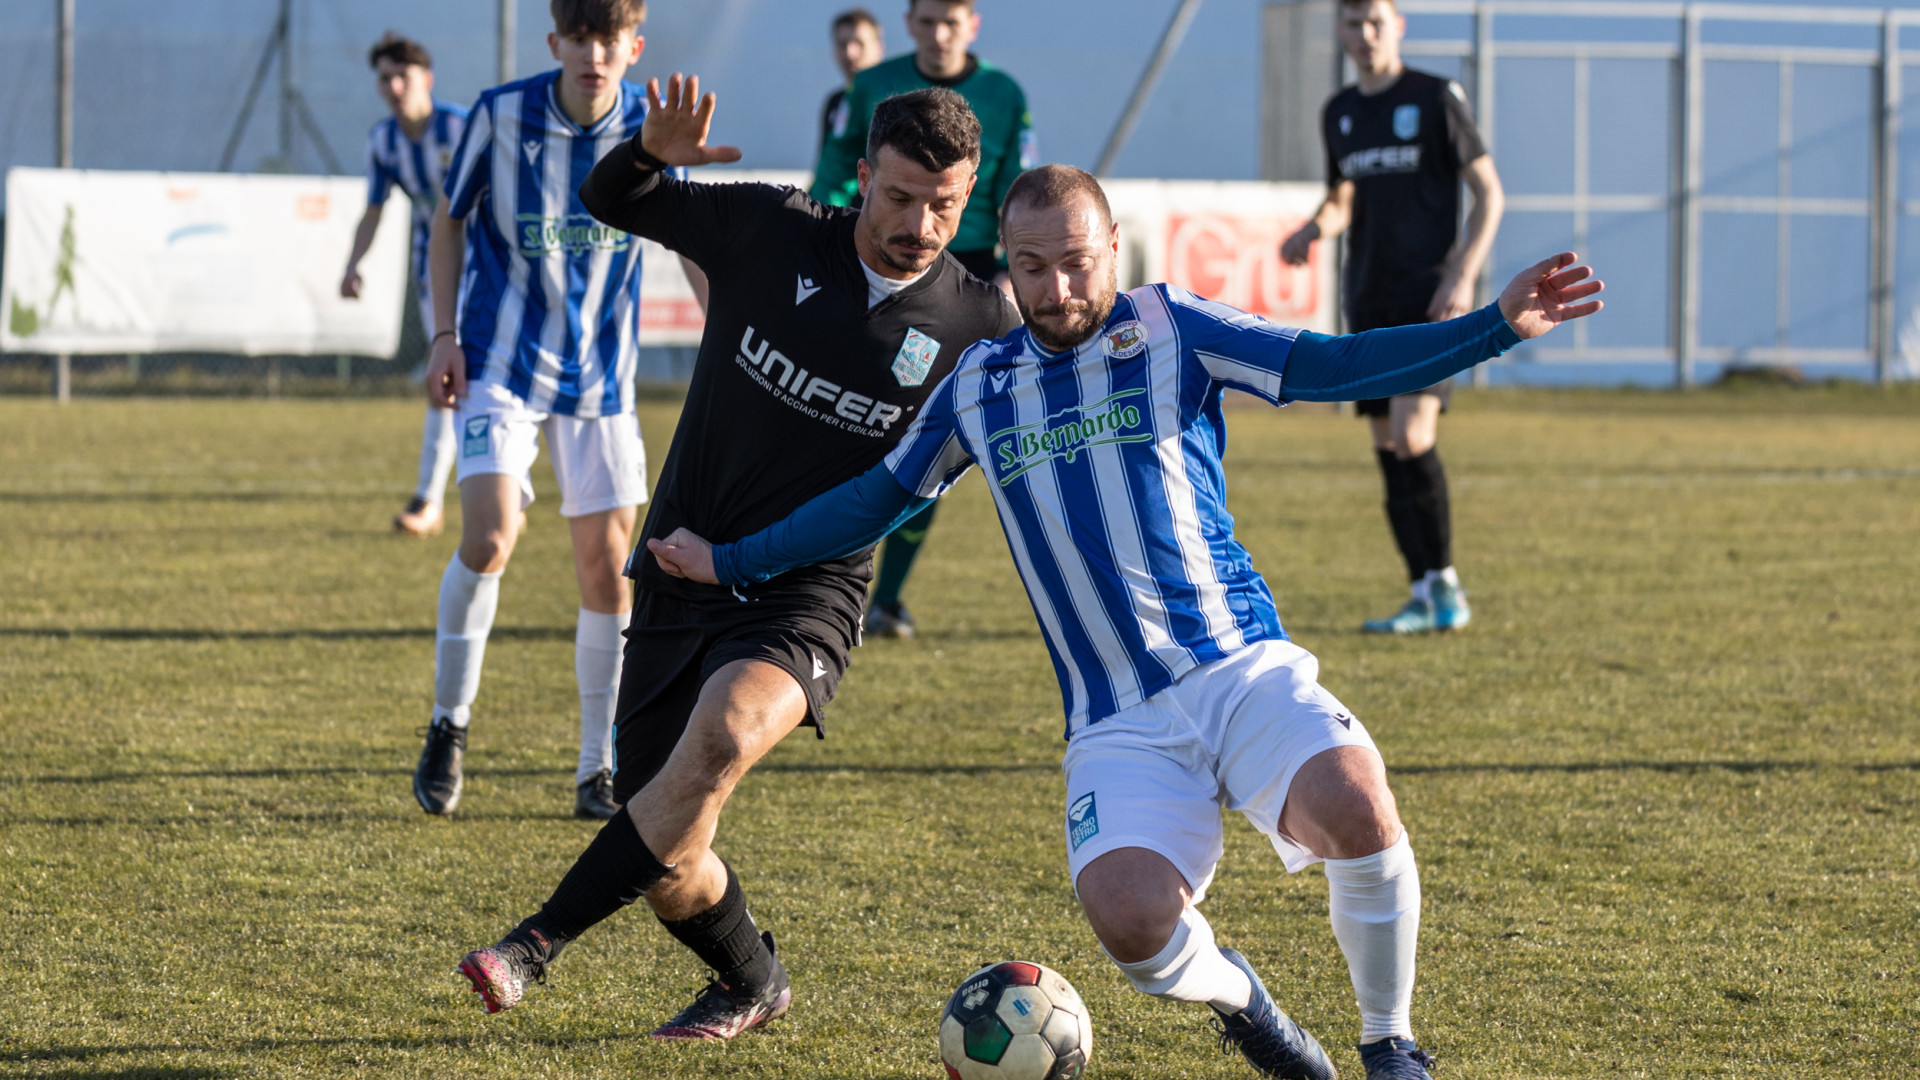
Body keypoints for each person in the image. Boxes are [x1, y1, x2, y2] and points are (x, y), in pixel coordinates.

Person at [650, 167, 1601, 1079]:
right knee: (1132, 923)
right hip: (1115, 722)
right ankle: (1246, 1005)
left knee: (1359, 806)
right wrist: (733, 560)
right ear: (1007, 265)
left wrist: (1492, 328)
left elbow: (1328, 364)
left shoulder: (1173, 327)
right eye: (1031, 268)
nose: (1058, 289)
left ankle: (1390, 1048)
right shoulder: (979, 384)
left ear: (1114, 246)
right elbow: (870, 502)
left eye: (1077, 262)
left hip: (1238, 668)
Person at [454, 81, 1022, 1040]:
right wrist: (645, 152)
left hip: (807, 595)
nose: (920, 224)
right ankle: (753, 980)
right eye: (898, 196)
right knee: (669, 851)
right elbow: (614, 201)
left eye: (945, 205)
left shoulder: (980, 329)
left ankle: (533, 945)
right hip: (680, 566)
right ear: (860, 176)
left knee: (717, 740)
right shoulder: (769, 228)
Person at [412, 0, 673, 821]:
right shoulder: (500, 114)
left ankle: (597, 767)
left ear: (635, 47)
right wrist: (444, 333)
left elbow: (698, 242)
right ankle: (448, 724)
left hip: (602, 379)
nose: (596, 54)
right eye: (581, 38)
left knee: (608, 571)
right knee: (489, 537)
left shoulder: (650, 127)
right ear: (556, 42)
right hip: (499, 362)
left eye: (611, 40)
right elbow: (447, 222)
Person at [812, 0, 1037, 639]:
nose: (940, 34)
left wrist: (1007, 270)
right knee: (838, 419)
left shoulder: (1003, 93)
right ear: (909, 23)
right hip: (871, 264)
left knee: (928, 436)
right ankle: (816, 575)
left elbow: (1016, 191)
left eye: (952, 21)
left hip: (957, 283)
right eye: (928, 20)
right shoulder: (871, 87)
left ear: (974, 25)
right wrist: (822, 243)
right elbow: (832, 176)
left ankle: (884, 597)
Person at [1280, 0, 1505, 636]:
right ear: (1341, 31)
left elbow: (1490, 192)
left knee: (1411, 437)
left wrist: (1462, 274)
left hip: (1429, 295)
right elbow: (1343, 197)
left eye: (1377, 21)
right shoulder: (1341, 113)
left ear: (1397, 25)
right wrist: (1314, 228)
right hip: (1369, 297)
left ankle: (1447, 587)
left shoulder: (1435, 98)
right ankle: (1422, 591)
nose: (1366, 34)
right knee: (1386, 445)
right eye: (1354, 23)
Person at [339, 33, 468, 538]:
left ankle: (510, 493)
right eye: (385, 78)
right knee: (442, 380)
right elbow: (373, 210)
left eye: (403, 76)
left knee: (497, 380)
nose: (394, 86)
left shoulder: (461, 127)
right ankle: (429, 500)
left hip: (495, 272)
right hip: (433, 272)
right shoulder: (383, 141)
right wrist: (352, 264)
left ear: (426, 80)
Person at [818, 9, 885, 165]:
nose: (850, 53)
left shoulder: (894, 102)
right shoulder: (835, 101)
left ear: (879, 48)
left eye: (859, 43)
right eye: (843, 44)